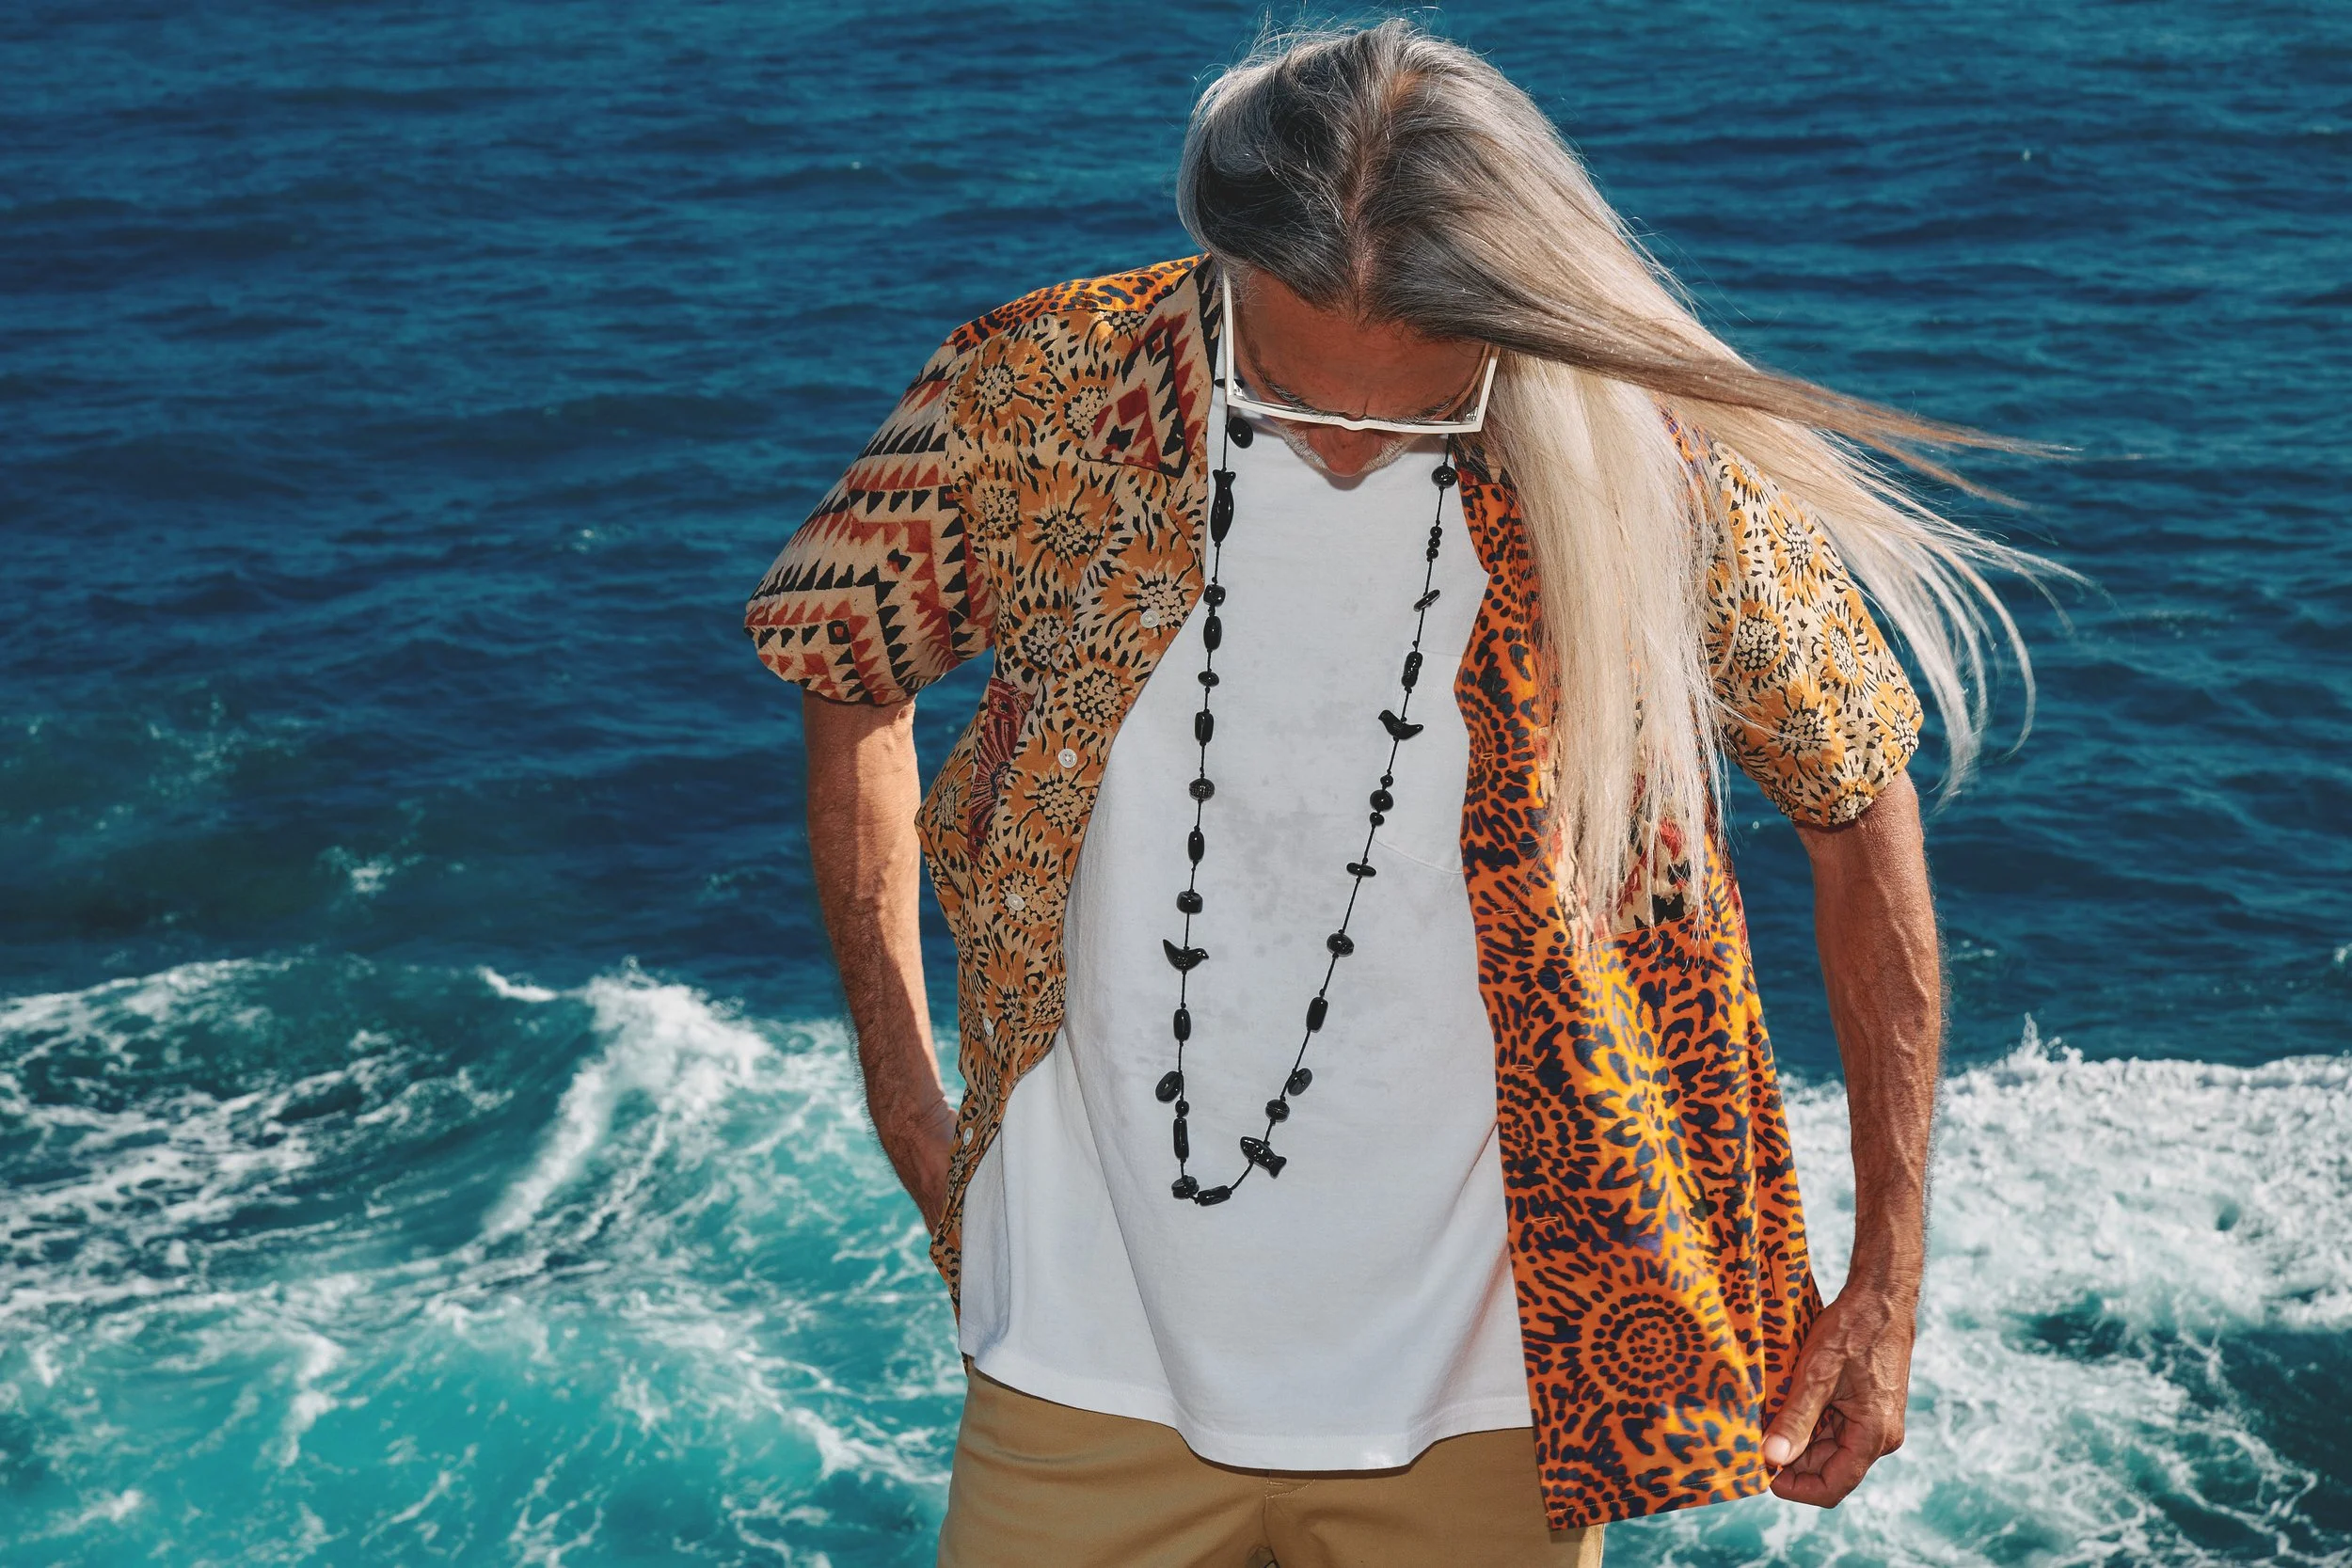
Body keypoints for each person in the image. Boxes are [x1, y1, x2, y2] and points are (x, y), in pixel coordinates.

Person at [745, 21, 2050, 1567]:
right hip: (1078, 1365)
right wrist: (910, 1101)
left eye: (1415, 411)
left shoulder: (1640, 464)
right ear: (1219, 270)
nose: (1352, 454)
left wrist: (1887, 1274)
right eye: (1293, 400)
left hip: (1488, 1408)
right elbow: (844, 658)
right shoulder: (1039, 393)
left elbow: (1856, 788)